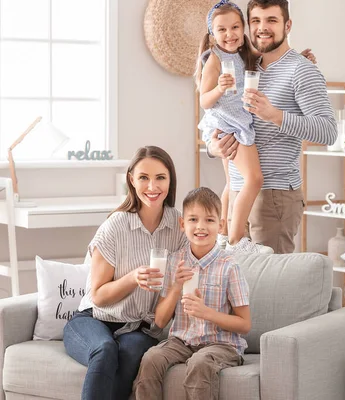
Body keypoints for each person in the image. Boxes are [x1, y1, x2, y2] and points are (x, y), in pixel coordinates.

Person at [207, 0, 337, 254]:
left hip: (273, 197)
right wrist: (214, 147)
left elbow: (328, 131)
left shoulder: (302, 71)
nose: (262, 28)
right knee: (237, 289)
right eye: (256, 21)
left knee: (269, 290)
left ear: (287, 25)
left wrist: (276, 115)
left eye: (272, 20)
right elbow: (219, 116)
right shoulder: (243, 65)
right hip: (236, 194)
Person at [63, 146, 187, 400]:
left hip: (140, 329)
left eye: (160, 178)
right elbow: (97, 296)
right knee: (105, 349)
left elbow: (164, 315)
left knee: (131, 353)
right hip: (94, 319)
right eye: (143, 177)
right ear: (131, 179)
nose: (152, 186)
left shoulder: (178, 227)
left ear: (170, 180)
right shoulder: (115, 226)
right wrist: (133, 278)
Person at [132, 187, 251, 400]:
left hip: (222, 344)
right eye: (193, 219)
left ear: (221, 225)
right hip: (182, 341)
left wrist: (207, 313)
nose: (201, 227)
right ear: (182, 224)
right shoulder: (175, 262)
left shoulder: (229, 267)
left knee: (200, 363)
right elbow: (159, 321)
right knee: (151, 358)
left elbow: (244, 324)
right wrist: (176, 286)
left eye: (209, 220)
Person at [196, 0, 270, 254]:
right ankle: (239, 240)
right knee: (254, 178)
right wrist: (219, 87)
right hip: (228, 124)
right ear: (212, 34)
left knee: (232, 182)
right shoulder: (214, 59)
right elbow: (204, 100)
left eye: (235, 27)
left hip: (237, 119)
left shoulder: (244, 50)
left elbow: (268, 57)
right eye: (222, 30)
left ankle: (224, 235)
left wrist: (299, 58)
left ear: (243, 28)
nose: (230, 34)